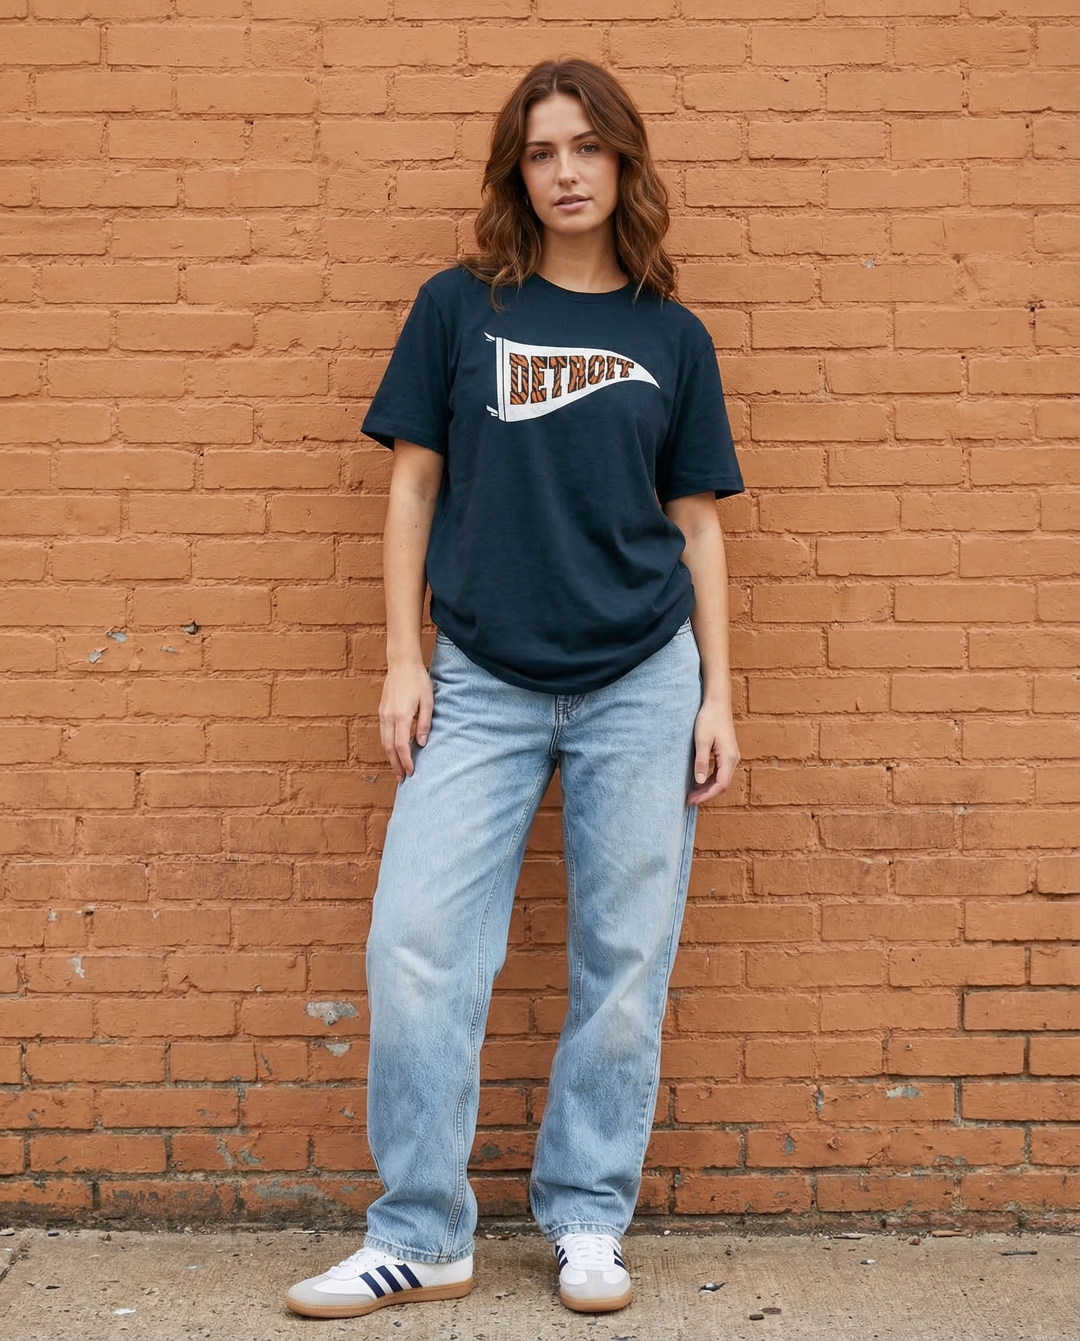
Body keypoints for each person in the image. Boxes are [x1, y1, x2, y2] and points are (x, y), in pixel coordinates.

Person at [286, 58, 744, 1322]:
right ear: (517, 172)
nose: (568, 172)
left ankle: (590, 1217)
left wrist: (718, 695)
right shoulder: (459, 310)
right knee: (418, 946)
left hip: (644, 683)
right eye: (544, 152)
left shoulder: (670, 334)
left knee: (623, 956)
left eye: (589, 148)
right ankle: (422, 1233)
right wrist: (403, 657)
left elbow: (697, 524)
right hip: (481, 681)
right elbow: (411, 488)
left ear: (623, 163)